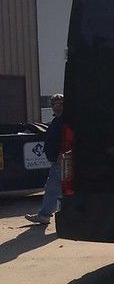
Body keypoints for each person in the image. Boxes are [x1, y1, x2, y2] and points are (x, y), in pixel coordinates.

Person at [25, 94, 64, 225]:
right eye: (54, 104)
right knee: (58, 188)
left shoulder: (64, 122)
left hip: (61, 160)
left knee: (53, 188)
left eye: (60, 103)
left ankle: (45, 215)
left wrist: (61, 154)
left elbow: (66, 140)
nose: (57, 106)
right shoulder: (56, 121)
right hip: (56, 160)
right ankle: (55, 214)